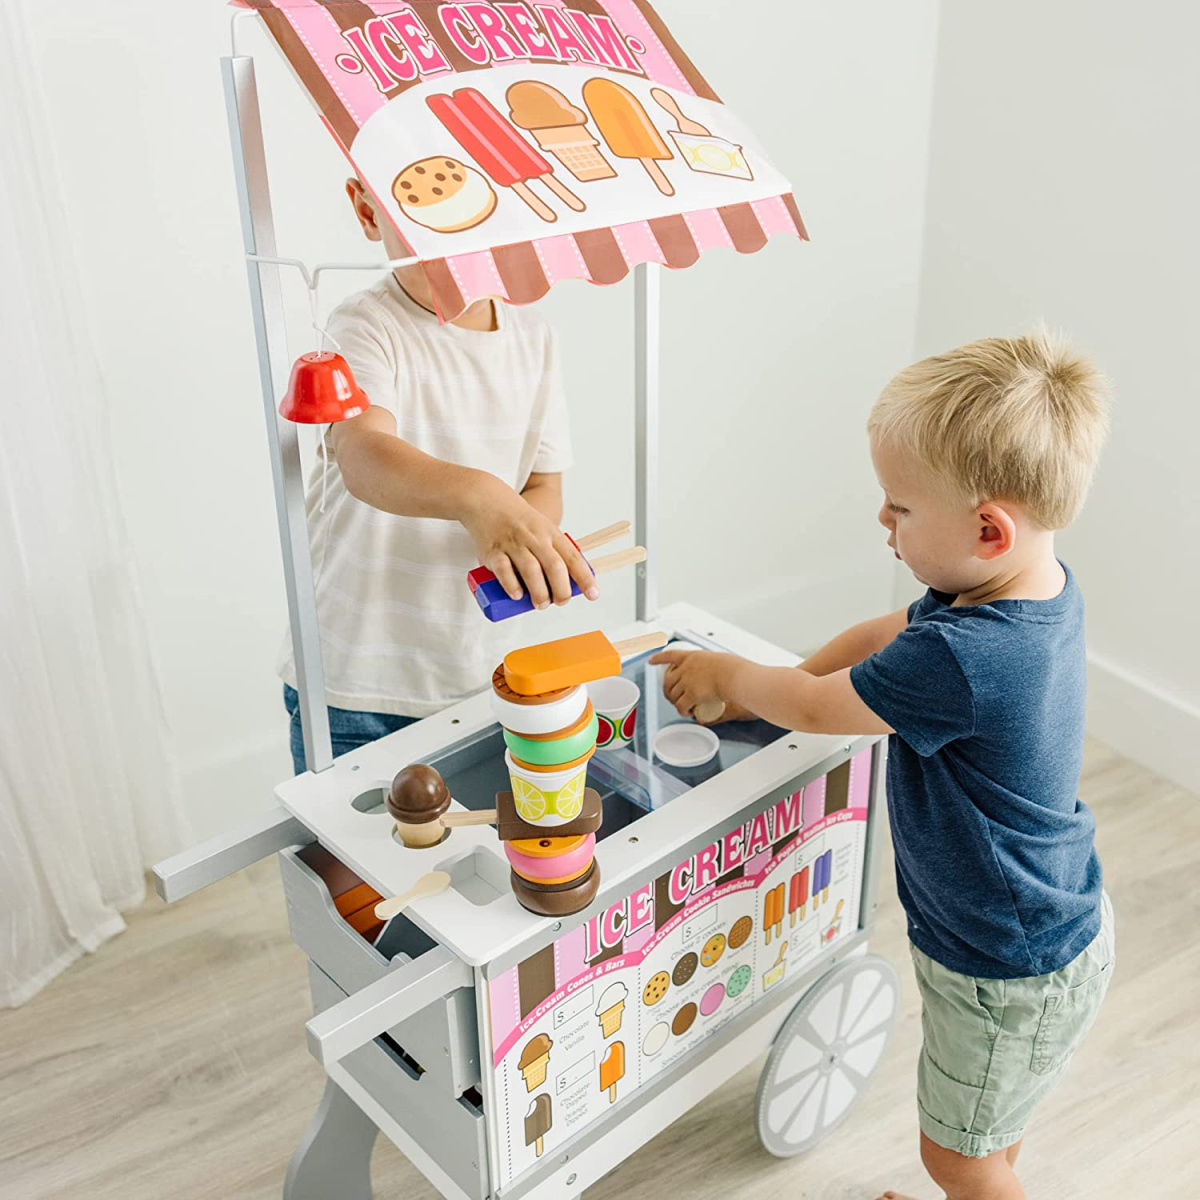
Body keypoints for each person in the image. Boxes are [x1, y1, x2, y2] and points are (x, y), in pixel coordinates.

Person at [652, 331, 1114, 1200]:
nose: (883, 521)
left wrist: (741, 680)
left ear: (987, 527)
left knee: (958, 1158)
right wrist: (778, 684)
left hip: (1002, 966)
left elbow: (831, 714)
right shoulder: (1022, 588)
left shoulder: (970, 659)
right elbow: (885, 643)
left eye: (899, 508)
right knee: (989, 1124)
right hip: (1042, 932)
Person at [281, 177, 596, 773]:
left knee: (472, 843)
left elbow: (544, 485)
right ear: (366, 210)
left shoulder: (534, 336)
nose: (456, 256)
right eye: (427, 222)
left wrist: (525, 543)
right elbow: (363, 452)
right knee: (350, 859)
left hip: (480, 668)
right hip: (356, 682)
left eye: (477, 225)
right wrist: (479, 496)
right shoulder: (365, 327)